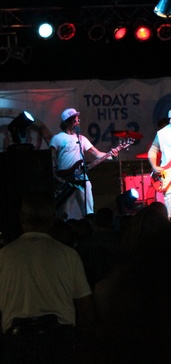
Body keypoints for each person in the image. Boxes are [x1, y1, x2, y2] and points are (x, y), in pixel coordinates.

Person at [0, 190, 94, 363]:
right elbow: (84, 305)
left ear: (22, 218)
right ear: (52, 219)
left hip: (17, 341)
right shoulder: (68, 255)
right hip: (59, 340)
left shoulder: (4, 256)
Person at [50, 108, 119, 220]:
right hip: (65, 180)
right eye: (74, 120)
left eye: (78, 119)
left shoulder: (82, 139)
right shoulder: (57, 138)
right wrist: (55, 176)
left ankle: (90, 225)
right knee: (63, 214)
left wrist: (112, 155)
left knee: (88, 211)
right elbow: (50, 156)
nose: (77, 122)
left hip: (82, 178)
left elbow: (97, 154)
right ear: (66, 122)